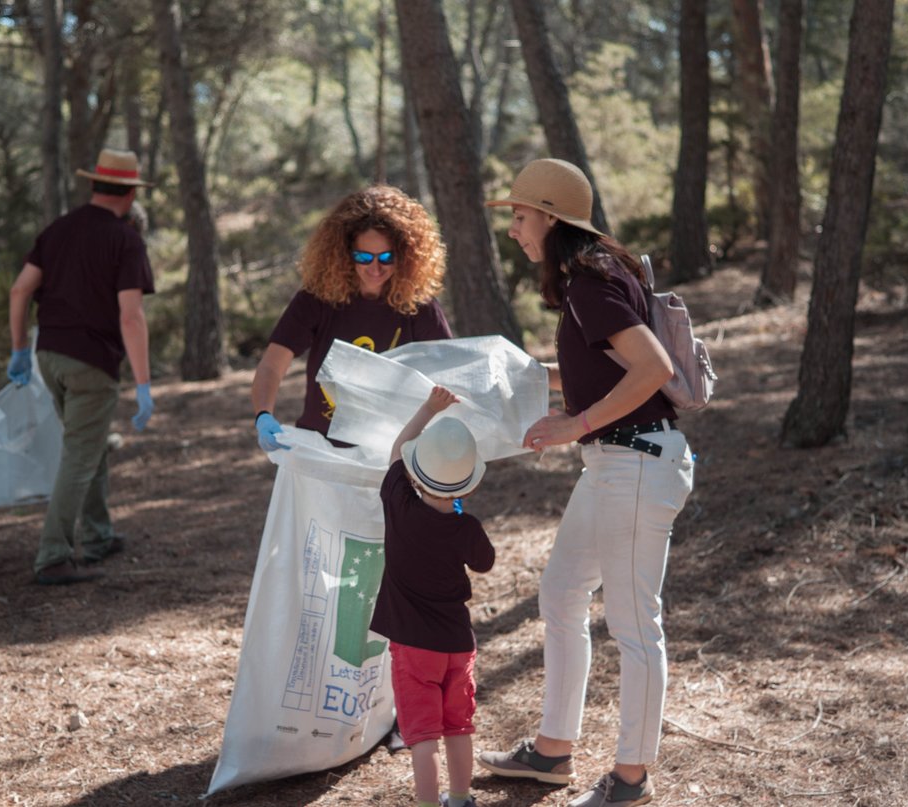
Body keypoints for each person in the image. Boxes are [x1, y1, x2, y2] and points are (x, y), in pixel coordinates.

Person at [476, 159, 694, 807]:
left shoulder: (590, 282)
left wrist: (578, 424)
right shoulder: (590, 280)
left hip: (635, 462)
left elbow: (651, 368)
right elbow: (593, 370)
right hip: (615, 463)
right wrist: (502, 381)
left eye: (519, 216)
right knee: (563, 590)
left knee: (634, 626)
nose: (513, 231)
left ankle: (631, 781)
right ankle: (551, 752)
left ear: (549, 217)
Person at [7, 147, 157, 586]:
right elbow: (131, 316)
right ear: (130, 194)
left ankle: (98, 535)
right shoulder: (124, 239)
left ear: (94, 185)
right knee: (79, 455)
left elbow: (20, 292)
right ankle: (52, 556)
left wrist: (19, 348)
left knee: (86, 445)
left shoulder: (57, 230)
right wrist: (144, 384)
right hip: (91, 362)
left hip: (47, 355)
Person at [250, 185, 452, 450]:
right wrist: (264, 416)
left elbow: (449, 376)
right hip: (322, 449)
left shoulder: (420, 306)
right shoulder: (316, 300)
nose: (375, 268)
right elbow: (272, 365)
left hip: (390, 452)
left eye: (386, 257)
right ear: (346, 254)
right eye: (364, 257)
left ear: (405, 254)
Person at [370, 386, 494, 807]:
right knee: (459, 727)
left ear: (416, 472)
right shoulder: (466, 526)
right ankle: (460, 799)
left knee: (422, 736)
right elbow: (485, 562)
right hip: (458, 645)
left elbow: (394, 453)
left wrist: (427, 408)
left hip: (413, 646)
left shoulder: (399, 506)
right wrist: (461, 512)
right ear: (466, 484)